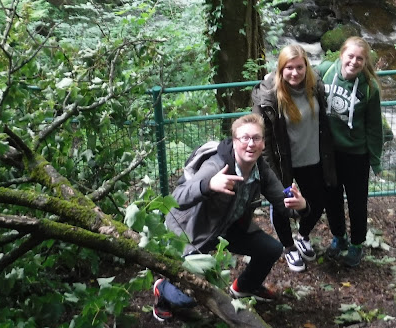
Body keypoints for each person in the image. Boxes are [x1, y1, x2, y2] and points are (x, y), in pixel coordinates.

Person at [156, 113, 309, 321]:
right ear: (235, 141)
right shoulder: (216, 166)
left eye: (256, 138)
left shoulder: (260, 169)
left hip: (228, 228)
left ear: (263, 143)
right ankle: (162, 290)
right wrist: (208, 185)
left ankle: (244, 288)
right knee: (189, 296)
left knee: (271, 249)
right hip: (193, 231)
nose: (250, 144)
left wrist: (301, 206)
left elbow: (283, 205)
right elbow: (176, 199)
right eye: (244, 138)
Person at [251, 45, 336, 272]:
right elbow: (263, 136)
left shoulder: (315, 85)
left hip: (312, 157)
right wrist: (270, 169)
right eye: (289, 68)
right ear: (281, 69)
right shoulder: (268, 95)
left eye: (299, 67)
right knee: (283, 206)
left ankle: (303, 235)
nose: (295, 73)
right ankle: (288, 247)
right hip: (283, 162)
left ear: (306, 66)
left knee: (318, 201)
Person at [315, 36, 383, 267]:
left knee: (357, 201)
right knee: (331, 198)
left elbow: (374, 127)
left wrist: (375, 160)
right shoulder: (325, 71)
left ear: (365, 62)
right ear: (341, 55)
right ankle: (339, 237)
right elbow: (297, 76)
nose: (354, 62)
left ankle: (356, 244)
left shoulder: (370, 88)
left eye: (360, 59)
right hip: (329, 152)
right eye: (350, 56)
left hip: (356, 155)